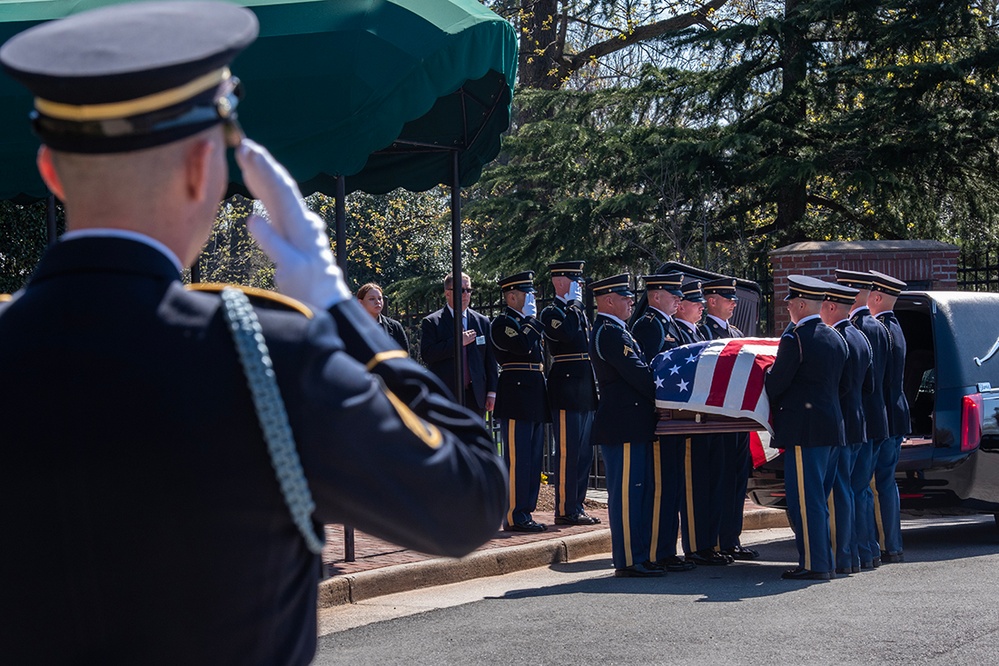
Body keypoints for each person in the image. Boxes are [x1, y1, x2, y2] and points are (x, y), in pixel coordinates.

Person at [0, 3, 507, 663]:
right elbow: (467, 500)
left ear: (50, 169)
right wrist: (337, 312)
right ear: (202, 167)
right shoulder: (265, 353)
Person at [765, 276, 849, 580]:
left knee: (806, 500)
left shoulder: (795, 339)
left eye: (789, 303)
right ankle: (821, 560)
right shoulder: (835, 337)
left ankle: (815, 564)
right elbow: (846, 385)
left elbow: (777, 384)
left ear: (801, 304)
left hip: (805, 431)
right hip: (831, 428)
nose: (786, 308)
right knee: (820, 497)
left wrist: (766, 374)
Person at [589, 274, 662, 576]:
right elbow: (638, 374)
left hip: (633, 422)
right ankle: (631, 558)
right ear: (608, 301)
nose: (632, 300)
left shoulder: (621, 331)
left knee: (640, 491)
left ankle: (640, 555)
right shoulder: (610, 333)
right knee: (628, 494)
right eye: (624, 296)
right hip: (624, 423)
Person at [631, 272, 695, 572]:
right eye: (673, 294)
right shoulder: (649, 324)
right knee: (661, 488)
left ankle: (668, 549)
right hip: (663, 417)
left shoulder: (670, 325)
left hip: (677, 417)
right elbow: (652, 367)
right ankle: (658, 550)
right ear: (655, 296)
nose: (678, 299)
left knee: (672, 486)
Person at [699, 277, 759, 561]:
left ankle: (731, 539)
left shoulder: (735, 331)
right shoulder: (702, 331)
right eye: (727, 298)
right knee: (718, 479)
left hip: (738, 417)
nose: (733, 303)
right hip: (716, 419)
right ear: (711, 300)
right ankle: (714, 540)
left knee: (737, 480)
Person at [836, 268, 891, 570]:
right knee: (863, 489)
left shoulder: (857, 328)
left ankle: (857, 551)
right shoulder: (877, 327)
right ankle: (869, 550)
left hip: (861, 420)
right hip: (874, 417)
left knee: (855, 488)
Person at [674, 280, 732, 566]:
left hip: (708, 417)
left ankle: (710, 542)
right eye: (696, 303)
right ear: (680, 305)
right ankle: (698, 545)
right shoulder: (677, 331)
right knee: (696, 485)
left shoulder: (698, 331)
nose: (700, 307)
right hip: (690, 420)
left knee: (712, 482)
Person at [540, 260, 600, 526]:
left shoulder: (578, 310)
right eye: (575, 282)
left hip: (584, 386)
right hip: (565, 386)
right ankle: (565, 508)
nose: (579, 287)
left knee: (584, 452)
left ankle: (577, 504)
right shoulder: (551, 312)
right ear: (561, 282)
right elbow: (565, 335)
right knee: (569, 451)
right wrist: (574, 306)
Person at [820, 282, 874, 575]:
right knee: (856, 489)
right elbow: (870, 386)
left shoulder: (836, 338)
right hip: (860, 421)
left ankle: (844, 556)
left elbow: (834, 386)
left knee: (840, 492)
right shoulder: (862, 337)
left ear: (831, 306)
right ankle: (860, 554)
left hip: (841, 422)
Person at [491, 271, 550, 532]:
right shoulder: (502, 322)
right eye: (527, 294)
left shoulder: (525, 321)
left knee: (534, 458)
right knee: (518, 458)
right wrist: (530, 321)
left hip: (534, 392)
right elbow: (521, 346)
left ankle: (526, 510)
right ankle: (515, 514)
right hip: (516, 394)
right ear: (512, 295)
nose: (532, 300)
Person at [867, 270, 911, 564]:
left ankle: (885, 544)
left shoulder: (879, 329)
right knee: (887, 482)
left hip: (882, 416)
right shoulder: (895, 327)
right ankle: (892, 543)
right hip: (896, 413)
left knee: (877, 483)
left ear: (878, 297)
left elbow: (874, 379)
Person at [420, 272, 498, 418]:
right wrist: (457, 343)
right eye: (461, 290)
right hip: (446, 395)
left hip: (475, 396)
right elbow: (428, 354)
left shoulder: (482, 322)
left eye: (468, 290)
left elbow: (490, 359)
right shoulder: (433, 322)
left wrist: (492, 392)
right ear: (447, 293)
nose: (465, 294)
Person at [357, 282, 408, 350]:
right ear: (360, 303)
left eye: (380, 298)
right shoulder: (351, 327)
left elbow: (405, 356)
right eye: (372, 299)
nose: (377, 302)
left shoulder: (395, 327)